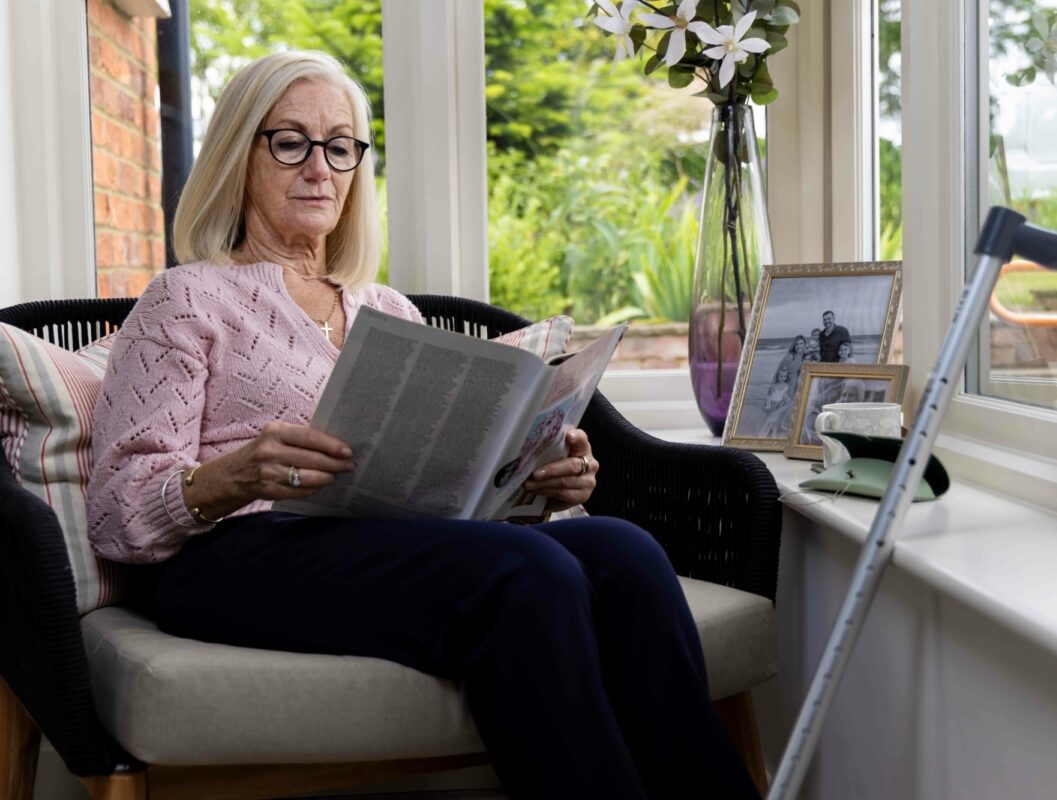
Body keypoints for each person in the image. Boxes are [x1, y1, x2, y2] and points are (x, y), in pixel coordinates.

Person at [85, 51, 758, 800]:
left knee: (623, 550)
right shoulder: (186, 298)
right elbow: (117, 515)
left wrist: (533, 478)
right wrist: (232, 474)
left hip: (384, 538)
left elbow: (449, 486)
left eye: (340, 146)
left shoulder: (389, 312)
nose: (320, 168)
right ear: (239, 154)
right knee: (524, 573)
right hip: (231, 553)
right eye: (290, 142)